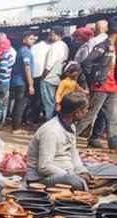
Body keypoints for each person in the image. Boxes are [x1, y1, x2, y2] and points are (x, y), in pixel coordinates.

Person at [26, 92, 116, 195]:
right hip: (43, 179)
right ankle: (90, 191)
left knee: (112, 169)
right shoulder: (51, 131)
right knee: (74, 181)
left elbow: (73, 154)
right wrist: (74, 175)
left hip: (69, 172)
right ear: (77, 112)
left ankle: (88, 186)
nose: (87, 112)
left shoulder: (71, 127)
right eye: (85, 109)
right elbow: (44, 167)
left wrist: (82, 171)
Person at [76, 17, 117, 151]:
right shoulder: (103, 46)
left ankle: (114, 144)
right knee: (89, 116)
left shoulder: (114, 46)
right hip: (100, 87)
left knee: (112, 118)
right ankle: (66, 138)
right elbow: (86, 62)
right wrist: (94, 78)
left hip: (112, 87)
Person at [11, 31, 37, 135]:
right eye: (31, 39)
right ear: (24, 40)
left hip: (18, 81)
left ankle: (16, 126)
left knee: (18, 105)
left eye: (34, 39)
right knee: (20, 106)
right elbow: (27, 68)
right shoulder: (25, 52)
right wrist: (30, 85)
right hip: (22, 82)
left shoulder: (21, 50)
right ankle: (16, 128)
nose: (33, 41)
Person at [40, 26, 69, 120]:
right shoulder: (65, 46)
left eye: (51, 34)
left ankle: (50, 121)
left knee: (49, 103)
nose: (49, 36)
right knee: (55, 102)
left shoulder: (55, 46)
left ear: (57, 34)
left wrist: (43, 77)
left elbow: (49, 65)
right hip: (58, 78)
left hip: (49, 78)